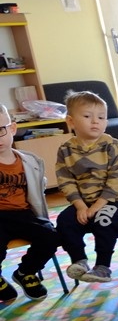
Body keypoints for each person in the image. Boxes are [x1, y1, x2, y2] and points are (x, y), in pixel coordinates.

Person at [55, 90, 118, 283]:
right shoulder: (65, 150)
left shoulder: (111, 146)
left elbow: (117, 178)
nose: (95, 121)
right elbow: (65, 180)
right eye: (88, 116)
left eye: (101, 117)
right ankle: (79, 260)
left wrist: (97, 206)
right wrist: (80, 206)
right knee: (64, 221)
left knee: (103, 220)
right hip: (83, 203)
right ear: (71, 122)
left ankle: (103, 266)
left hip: (112, 201)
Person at [0, 104, 59, 301]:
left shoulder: (30, 161)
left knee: (51, 236)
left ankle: (26, 272)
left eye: (0, 130)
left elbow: (37, 189)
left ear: (12, 129)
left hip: (23, 214)